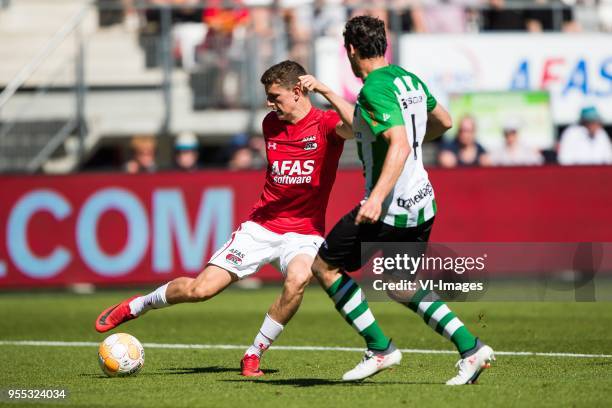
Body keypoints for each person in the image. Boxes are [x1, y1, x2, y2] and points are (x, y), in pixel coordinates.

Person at [94, 60, 352, 378]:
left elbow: (357, 125)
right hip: (261, 227)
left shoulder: (326, 123)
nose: (270, 104)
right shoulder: (271, 123)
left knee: (299, 278)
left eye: (275, 96)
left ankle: (253, 354)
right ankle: (137, 305)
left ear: (298, 90)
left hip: (304, 232)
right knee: (200, 291)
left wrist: (327, 90)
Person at [302, 15, 494, 385]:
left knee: (324, 267)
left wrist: (375, 198)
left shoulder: (373, 89)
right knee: (399, 282)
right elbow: (444, 121)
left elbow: (400, 144)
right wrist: (327, 92)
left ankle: (380, 348)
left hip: (387, 208)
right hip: (422, 201)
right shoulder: (406, 79)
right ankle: (471, 348)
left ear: (352, 51)